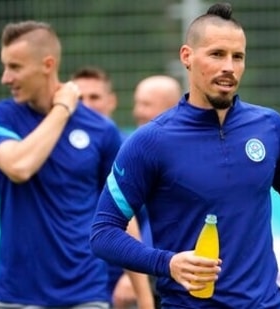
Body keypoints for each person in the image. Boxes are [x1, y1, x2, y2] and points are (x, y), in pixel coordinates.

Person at [89, 3, 280, 309]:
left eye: (237, 56)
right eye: (217, 54)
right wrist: (168, 263)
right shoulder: (150, 142)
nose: (229, 66)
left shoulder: (270, 129)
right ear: (186, 56)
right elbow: (103, 233)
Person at [0, 21, 119, 309]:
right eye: (5, 66)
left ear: (48, 64)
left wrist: (144, 299)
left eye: (15, 67)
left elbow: (120, 212)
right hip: (17, 292)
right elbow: (19, 167)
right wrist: (63, 108)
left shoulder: (102, 130)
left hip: (86, 291)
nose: (6, 78)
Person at [71, 66, 157, 309]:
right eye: (78, 98)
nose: (86, 105)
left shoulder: (131, 152)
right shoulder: (60, 153)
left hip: (122, 279)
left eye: (94, 97)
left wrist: (134, 276)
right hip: (77, 280)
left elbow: (147, 220)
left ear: (111, 101)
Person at [109, 75, 183, 309]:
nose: (137, 112)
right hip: (155, 271)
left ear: (171, 106)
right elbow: (128, 220)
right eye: (137, 103)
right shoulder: (134, 152)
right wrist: (136, 273)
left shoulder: (188, 153)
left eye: (146, 104)